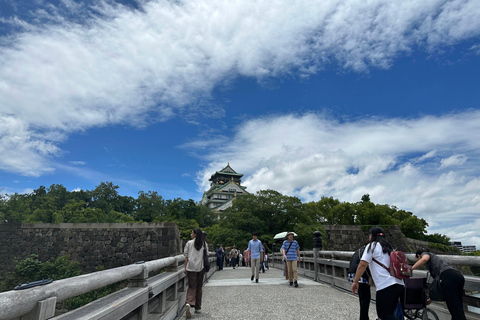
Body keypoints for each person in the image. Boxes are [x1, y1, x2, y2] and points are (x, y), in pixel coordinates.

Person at [351, 226, 404, 320]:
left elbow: (362, 264)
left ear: (371, 235)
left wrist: (355, 281)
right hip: (399, 284)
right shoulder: (389, 247)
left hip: (385, 285)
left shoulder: (372, 246)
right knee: (390, 313)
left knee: (383, 315)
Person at [412, 249, 466, 320]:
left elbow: (424, 259)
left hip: (448, 277)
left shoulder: (425, 254)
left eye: (418, 259)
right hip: (458, 276)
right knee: (457, 306)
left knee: (454, 308)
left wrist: (410, 269)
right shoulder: (435, 261)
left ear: (419, 256)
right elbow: (437, 285)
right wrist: (431, 299)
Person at [184, 228, 207, 318]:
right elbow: (206, 254)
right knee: (199, 287)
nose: (191, 234)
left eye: (192, 233)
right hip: (200, 268)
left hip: (191, 267)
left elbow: (186, 256)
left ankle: (189, 303)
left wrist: (185, 267)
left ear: (195, 234)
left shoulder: (189, 243)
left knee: (191, 286)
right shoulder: (204, 244)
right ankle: (197, 307)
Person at [348, 244, 371, 320]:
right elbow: (362, 264)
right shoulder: (369, 250)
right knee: (365, 299)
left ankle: (364, 317)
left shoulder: (360, 250)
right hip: (361, 274)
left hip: (353, 272)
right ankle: (364, 318)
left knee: (362, 298)